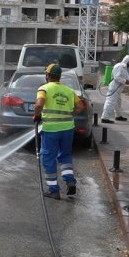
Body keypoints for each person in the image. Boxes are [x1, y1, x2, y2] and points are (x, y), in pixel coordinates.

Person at [32, 64, 86, 200]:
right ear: (59, 76)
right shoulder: (68, 90)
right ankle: (70, 180)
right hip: (67, 128)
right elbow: (80, 106)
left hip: (51, 129)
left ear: (47, 75)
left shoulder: (44, 88)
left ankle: (54, 190)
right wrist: (69, 114)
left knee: (48, 158)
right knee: (65, 155)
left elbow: (39, 104)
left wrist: (37, 115)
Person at [101, 55, 129, 124]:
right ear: (126, 61)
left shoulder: (124, 68)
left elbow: (126, 76)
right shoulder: (119, 66)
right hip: (114, 87)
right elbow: (117, 77)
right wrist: (126, 81)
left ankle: (118, 116)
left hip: (118, 88)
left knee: (118, 102)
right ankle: (104, 118)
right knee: (110, 102)